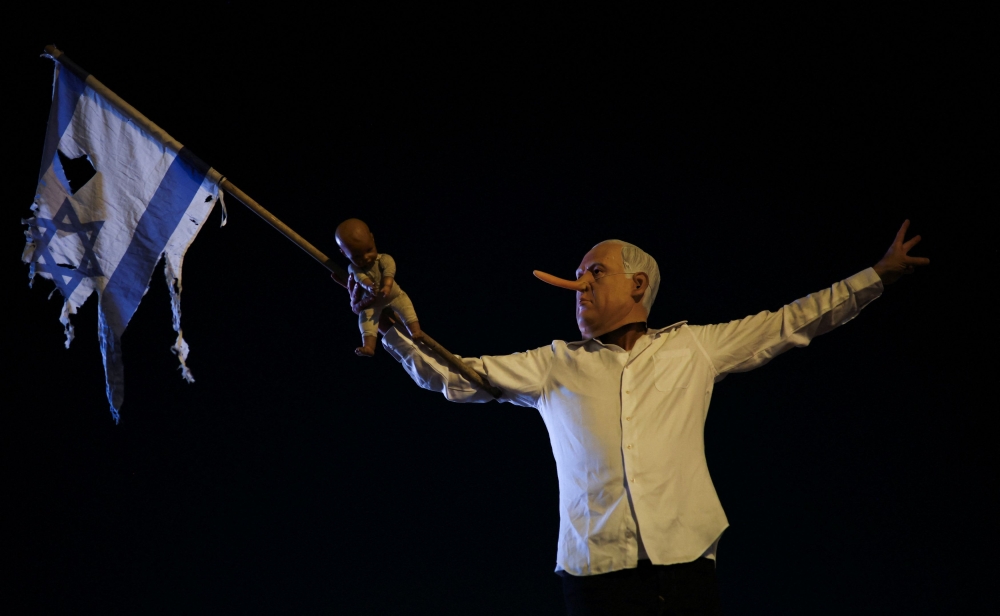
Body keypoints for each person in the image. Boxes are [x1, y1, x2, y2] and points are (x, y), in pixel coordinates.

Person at [345, 220, 928, 615]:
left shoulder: (691, 348)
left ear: (638, 284)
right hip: (595, 575)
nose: (580, 284)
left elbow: (790, 322)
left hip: (685, 567)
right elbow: (450, 376)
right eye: (578, 275)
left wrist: (876, 276)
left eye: (594, 272)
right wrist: (391, 328)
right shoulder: (554, 365)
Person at [333, 218, 422, 356]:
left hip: (393, 294)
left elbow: (389, 272)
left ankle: (415, 331)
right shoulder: (353, 268)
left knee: (407, 309)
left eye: (369, 250)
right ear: (344, 253)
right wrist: (368, 286)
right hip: (372, 303)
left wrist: (387, 286)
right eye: (357, 256)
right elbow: (360, 278)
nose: (366, 258)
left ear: (372, 238)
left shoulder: (383, 259)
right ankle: (368, 346)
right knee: (365, 320)